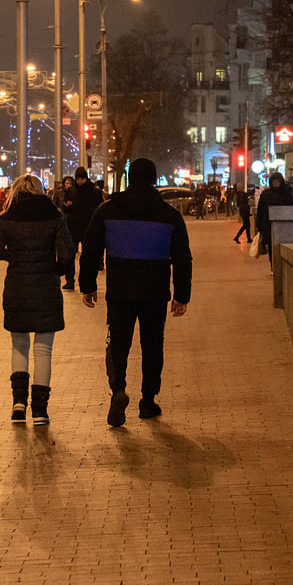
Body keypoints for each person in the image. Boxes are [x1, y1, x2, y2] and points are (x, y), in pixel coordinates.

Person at [79, 158, 192, 427]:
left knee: (118, 345)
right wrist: (182, 295)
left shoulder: (107, 211)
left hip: (119, 293)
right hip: (155, 293)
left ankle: (118, 389)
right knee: (152, 346)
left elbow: (91, 249)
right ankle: (148, 402)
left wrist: (88, 285)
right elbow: (182, 257)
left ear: (129, 178)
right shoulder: (169, 215)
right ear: (154, 179)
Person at [0, 174, 74, 425]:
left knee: (19, 345)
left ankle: (18, 404)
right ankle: (40, 410)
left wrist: (11, 256)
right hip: (46, 288)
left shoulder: (7, 220)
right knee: (43, 350)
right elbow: (67, 253)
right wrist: (56, 269)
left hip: (17, 289)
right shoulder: (55, 217)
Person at [62, 167, 103, 290]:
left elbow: (99, 208)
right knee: (70, 255)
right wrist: (66, 206)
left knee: (87, 257)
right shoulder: (71, 191)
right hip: (74, 227)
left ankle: (86, 282)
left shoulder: (94, 191)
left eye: (82, 179)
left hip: (88, 227)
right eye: (78, 179)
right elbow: (65, 207)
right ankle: (70, 280)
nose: (80, 181)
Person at [255, 171, 293, 269]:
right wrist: (258, 226)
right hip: (268, 226)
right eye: (274, 182)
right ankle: (273, 266)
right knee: (271, 247)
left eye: (277, 182)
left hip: (283, 226)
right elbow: (260, 210)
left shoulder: (286, 194)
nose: (276, 184)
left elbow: (291, 209)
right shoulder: (266, 194)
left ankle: (281, 266)